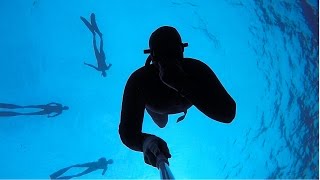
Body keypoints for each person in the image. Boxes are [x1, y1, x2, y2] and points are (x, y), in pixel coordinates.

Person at [119, 26, 236, 168]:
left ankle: (157, 112)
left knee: (162, 123)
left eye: (173, 52)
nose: (168, 60)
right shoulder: (139, 81)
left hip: (167, 104)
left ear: (182, 50)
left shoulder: (197, 70)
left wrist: (182, 83)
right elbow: (128, 133)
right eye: (162, 54)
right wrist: (145, 141)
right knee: (161, 123)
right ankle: (153, 111)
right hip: (159, 109)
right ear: (152, 57)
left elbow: (228, 112)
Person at [80, 13, 112, 77]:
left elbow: (92, 66)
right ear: (103, 73)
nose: (103, 73)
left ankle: (96, 36)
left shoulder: (101, 69)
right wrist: (109, 65)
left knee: (96, 46)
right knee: (99, 47)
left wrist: (86, 64)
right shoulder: (103, 69)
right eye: (104, 73)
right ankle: (99, 36)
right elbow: (110, 64)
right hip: (101, 57)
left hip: (98, 56)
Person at [0, 102, 68, 118]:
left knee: (31, 111)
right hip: (47, 108)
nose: (64, 108)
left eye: (65, 108)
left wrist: (50, 115)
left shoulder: (60, 109)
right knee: (30, 108)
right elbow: (53, 102)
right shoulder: (60, 108)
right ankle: (20, 109)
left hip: (47, 109)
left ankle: (20, 110)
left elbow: (53, 103)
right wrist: (49, 104)